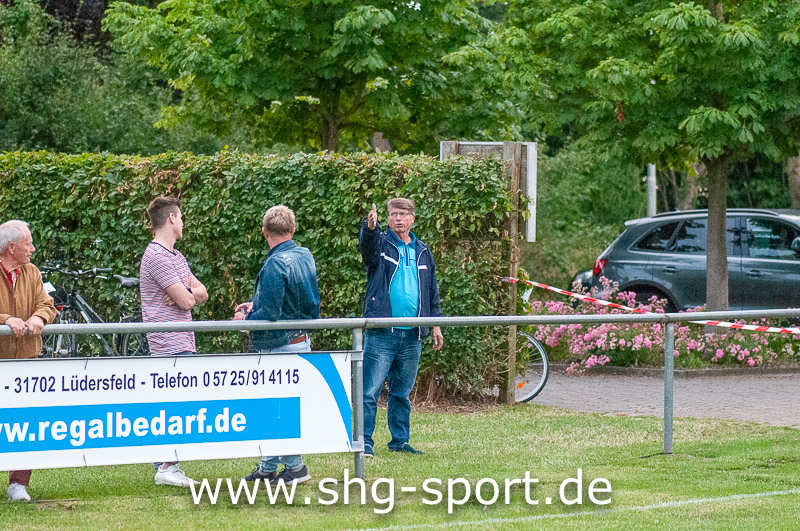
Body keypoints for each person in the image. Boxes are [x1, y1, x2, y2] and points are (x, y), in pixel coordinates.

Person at [236, 205, 320, 486]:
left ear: (264, 232)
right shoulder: (304, 255)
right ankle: (268, 467)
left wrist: (245, 318)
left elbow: (270, 314)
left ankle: (296, 467)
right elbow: (290, 302)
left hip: (279, 344)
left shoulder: (275, 263)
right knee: (280, 406)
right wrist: (255, 304)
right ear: (292, 230)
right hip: (300, 339)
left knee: (275, 410)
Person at [359, 198, 444, 458]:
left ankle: (400, 441)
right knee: (369, 392)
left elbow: (432, 292)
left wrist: (436, 324)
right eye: (393, 214)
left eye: (403, 214)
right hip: (382, 332)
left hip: (413, 334)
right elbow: (368, 251)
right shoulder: (381, 244)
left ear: (412, 218)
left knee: (401, 393)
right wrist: (369, 228)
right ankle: (364, 442)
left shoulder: (423, 251)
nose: (398, 218)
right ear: (387, 218)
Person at [139, 197, 208, 487]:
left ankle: (167, 464)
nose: (182, 223)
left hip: (183, 340)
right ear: (171, 219)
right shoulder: (156, 256)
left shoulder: (177, 257)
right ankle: (167, 466)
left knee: (178, 404)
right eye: (180, 217)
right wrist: (187, 296)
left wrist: (188, 295)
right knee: (178, 406)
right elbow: (188, 300)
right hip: (168, 344)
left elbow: (201, 292)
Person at [0, 220, 57, 502]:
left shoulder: (32, 272)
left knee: (26, 420)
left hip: (27, 359)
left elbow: (47, 304)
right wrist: (6, 319)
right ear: (11, 247)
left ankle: (18, 483)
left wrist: (39, 317)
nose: (33, 248)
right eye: (28, 243)